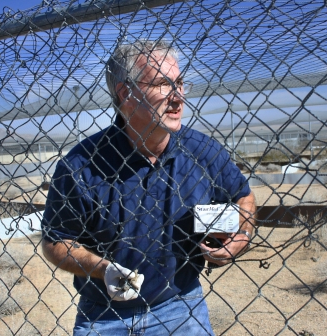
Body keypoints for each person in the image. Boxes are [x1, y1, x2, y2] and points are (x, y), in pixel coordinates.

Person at [41, 39, 256, 335]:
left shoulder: (203, 152)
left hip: (181, 306)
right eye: (162, 84)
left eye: (179, 83)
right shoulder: (80, 165)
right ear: (126, 93)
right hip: (103, 317)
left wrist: (241, 236)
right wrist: (103, 269)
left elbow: (243, 196)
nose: (178, 97)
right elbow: (56, 241)